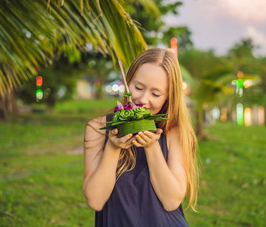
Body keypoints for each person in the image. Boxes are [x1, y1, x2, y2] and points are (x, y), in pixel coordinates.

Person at [83, 48, 199, 227]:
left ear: (168, 97)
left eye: (156, 94)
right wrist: (113, 148)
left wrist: (152, 148)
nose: (143, 99)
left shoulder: (175, 131)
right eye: (138, 87)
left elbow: (171, 201)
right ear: (128, 83)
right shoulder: (97, 129)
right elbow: (95, 201)